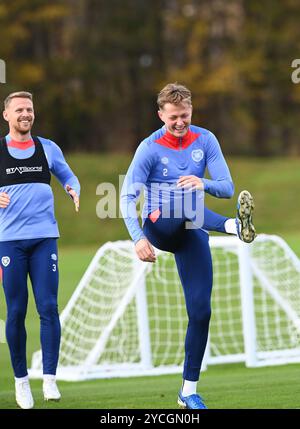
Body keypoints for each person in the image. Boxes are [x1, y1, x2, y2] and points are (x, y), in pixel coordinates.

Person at [120, 83, 255, 409]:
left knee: (201, 310)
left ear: (191, 111)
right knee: (181, 203)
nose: (180, 122)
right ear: (160, 115)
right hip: (158, 223)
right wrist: (138, 238)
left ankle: (188, 391)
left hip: (193, 228)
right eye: (173, 117)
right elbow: (126, 197)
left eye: (185, 115)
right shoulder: (149, 148)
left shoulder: (205, 140)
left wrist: (202, 182)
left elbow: (226, 187)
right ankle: (233, 226)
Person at [0, 91, 80, 409]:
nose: (26, 114)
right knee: (16, 311)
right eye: (19, 109)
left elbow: (67, 173)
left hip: (44, 239)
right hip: (9, 243)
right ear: (6, 115)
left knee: (48, 308)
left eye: (30, 109)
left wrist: (72, 187)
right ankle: (21, 382)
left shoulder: (47, 148)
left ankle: (49, 378)